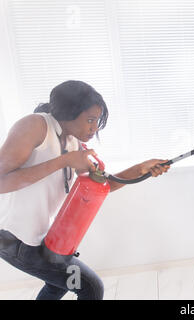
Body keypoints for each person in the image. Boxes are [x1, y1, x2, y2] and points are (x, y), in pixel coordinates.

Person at [0, 80, 170, 300]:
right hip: (14, 239)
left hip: (43, 237)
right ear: (69, 112)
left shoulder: (74, 143)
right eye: (90, 120)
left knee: (57, 285)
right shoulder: (35, 126)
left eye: (97, 121)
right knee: (90, 287)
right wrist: (64, 161)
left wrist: (141, 169)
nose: (95, 127)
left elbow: (101, 187)